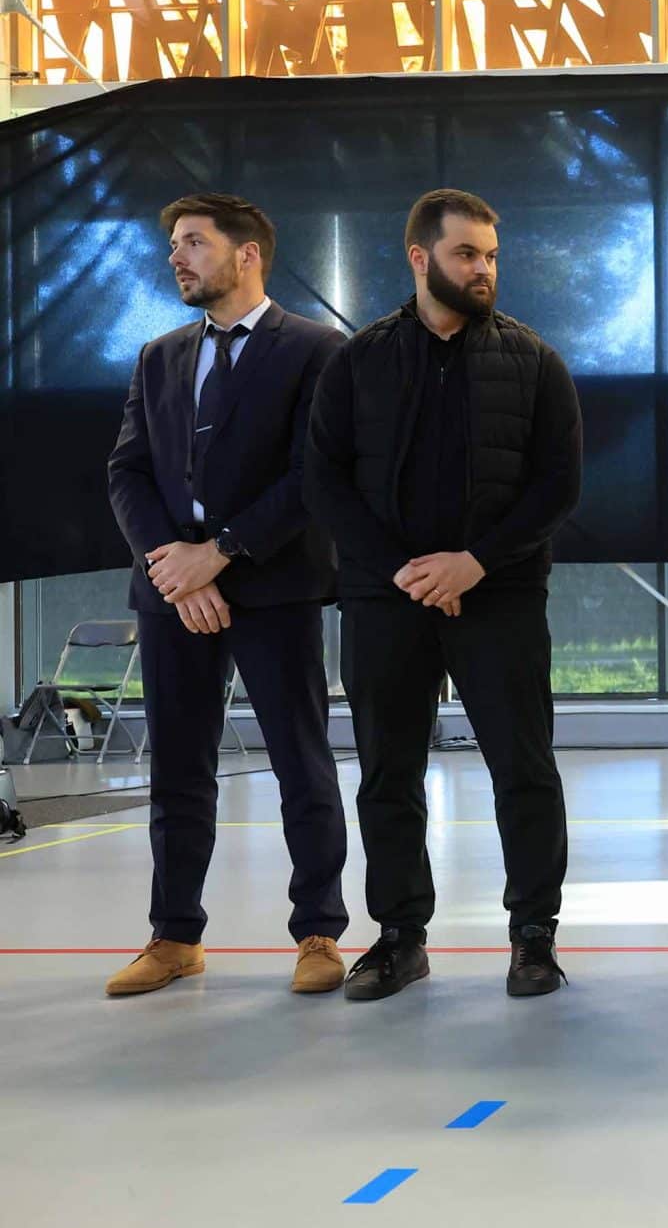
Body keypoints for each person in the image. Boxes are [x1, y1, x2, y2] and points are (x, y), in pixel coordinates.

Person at [305, 188, 583, 1001]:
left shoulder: (535, 361)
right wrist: (405, 570)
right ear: (420, 257)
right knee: (388, 773)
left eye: (491, 255)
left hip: (499, 596)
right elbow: (324, 481)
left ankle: (533, 936)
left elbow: (557, 486)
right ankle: (399, 937)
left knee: (523, 769)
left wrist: (474, 563)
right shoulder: (357, 362)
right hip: (384, 598)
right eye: (467, 254)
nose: (484, 269)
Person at [103, 193, 350, 998]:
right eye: (174, 244)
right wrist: (171, 568)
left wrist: (221, 554)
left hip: (273, 587)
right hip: (173, 594)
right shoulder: (159, 355)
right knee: (178, 768)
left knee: (299, 762)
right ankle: (175, 936)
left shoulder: (315, 349)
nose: (176, 257)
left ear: (248, 254)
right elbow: (128, 472)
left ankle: (318, 930)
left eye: (194, 242)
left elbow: (313, 475)